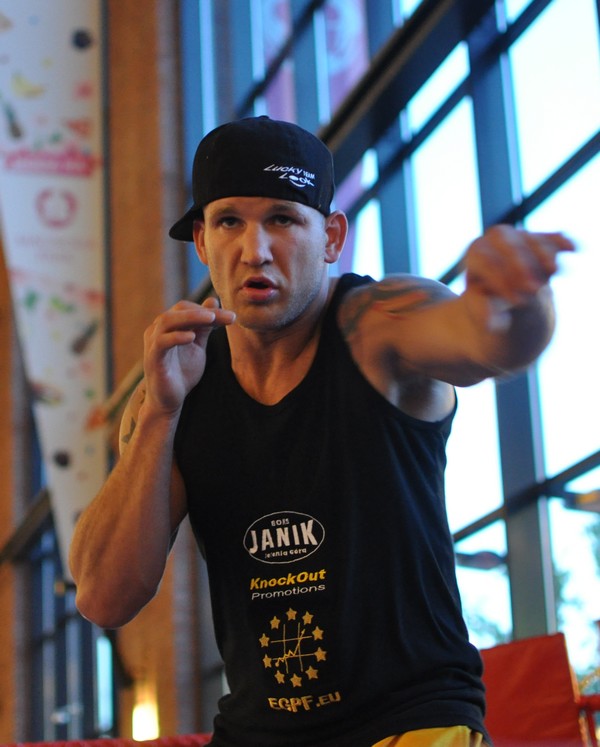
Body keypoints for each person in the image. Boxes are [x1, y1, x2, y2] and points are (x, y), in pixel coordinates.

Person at [69, 116, 574, 747]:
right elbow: (103, 598)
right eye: (229, 222)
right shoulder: (176, 387)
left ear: (332, 237)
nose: (254, 250)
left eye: (283, 219)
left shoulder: (378, 325)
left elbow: (488, 343)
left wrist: (519, 299)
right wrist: (160, 416)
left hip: (410, 721)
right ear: (201, 241)